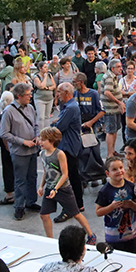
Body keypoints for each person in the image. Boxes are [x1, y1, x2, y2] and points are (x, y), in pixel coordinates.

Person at [37, 127, 96, 243]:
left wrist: (56, 188)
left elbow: (65, 174)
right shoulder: (42, 154)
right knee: (44, 214)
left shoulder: (59, 154)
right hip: (50, 188)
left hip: (63, 189)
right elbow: (45, 171)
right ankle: (49, 239)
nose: (40, 142)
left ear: (52, 141)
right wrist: (41, 186)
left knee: (76, 214)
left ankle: (90, 234)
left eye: (43, 140)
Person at [0, 83, 40, 221]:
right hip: (19, 151)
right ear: (19, 96)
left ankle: (31, 201)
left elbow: (36, 124)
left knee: (32, 177)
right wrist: (23, 141)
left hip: (32, 149)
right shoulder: (8, 111)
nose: (30, 96)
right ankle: (19, 207)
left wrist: (37, 136)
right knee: (20, 180)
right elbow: (4, 133)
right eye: (28, 94)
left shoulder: (30, 108)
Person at [52, 83, 85, 217]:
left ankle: (73, 206)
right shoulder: (69, 107)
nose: (57, 95)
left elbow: (60, 127)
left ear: (66, 93)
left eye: (59, 92)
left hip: (68, 147)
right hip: (70, 145)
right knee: (73, 175)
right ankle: (78, 204)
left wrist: (53, 125)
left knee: (69, 176)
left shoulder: (70, 107)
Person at [96, 157, 136, 254]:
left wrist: (132, 205)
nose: (119, 171)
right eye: (114, 169)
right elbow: (98, 212)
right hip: (113, 237)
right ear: (108, 173)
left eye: (121, 167)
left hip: (131, 236)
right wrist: (111, 207)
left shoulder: (131, 186)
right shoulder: (105, 191)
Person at [0, 91, 16, 206]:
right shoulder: (10, 112)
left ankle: (9, 192)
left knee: (7, 167)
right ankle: (11, 191)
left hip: (5, 143)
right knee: (12, 167)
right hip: (10, 142)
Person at [32, 61, 57, 130]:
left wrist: (49, 88)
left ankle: (47, 130)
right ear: (40, 68)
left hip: (49, 98)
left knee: (47, 116)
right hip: (40, 99)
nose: (47, 68)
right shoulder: (36, 77)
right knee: (41, 117)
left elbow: (54, 85)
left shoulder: (50, 75)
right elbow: (41, 86)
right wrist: (45, 77)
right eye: (45, 67)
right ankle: (40, 131)